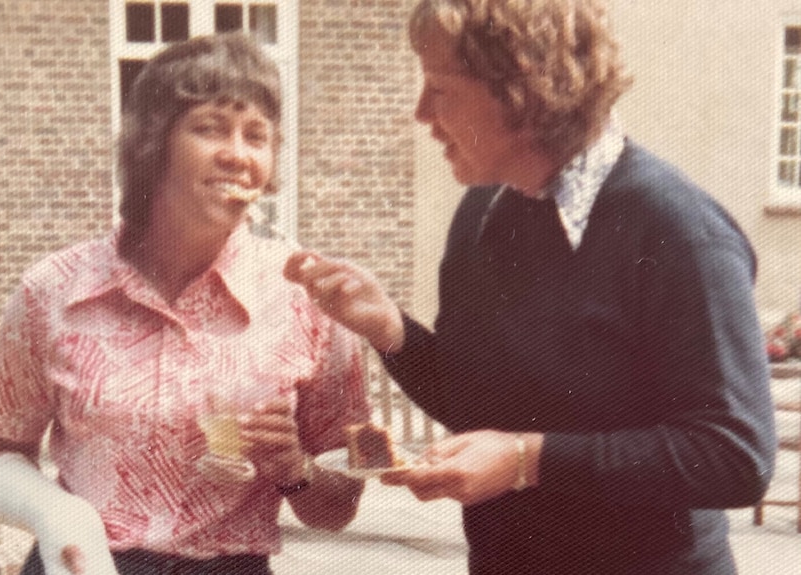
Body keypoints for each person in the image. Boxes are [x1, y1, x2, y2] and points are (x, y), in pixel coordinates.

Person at [283, 1, 777, 573]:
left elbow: (735, 455)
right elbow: (479, 403)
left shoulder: (677, 230)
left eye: (439, 89)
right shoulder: (484, 211)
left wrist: (528, 459)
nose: (420, 113)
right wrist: (390, 330)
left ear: (522, 91)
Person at [0, 32, 370, 575]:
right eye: (210, 129)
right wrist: (58, 516)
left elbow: (338, 508)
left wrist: (295, 467)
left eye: (257, 136)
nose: (238, 154)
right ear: (153, 144)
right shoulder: (53, 289)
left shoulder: (305, 297)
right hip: (80, 564)